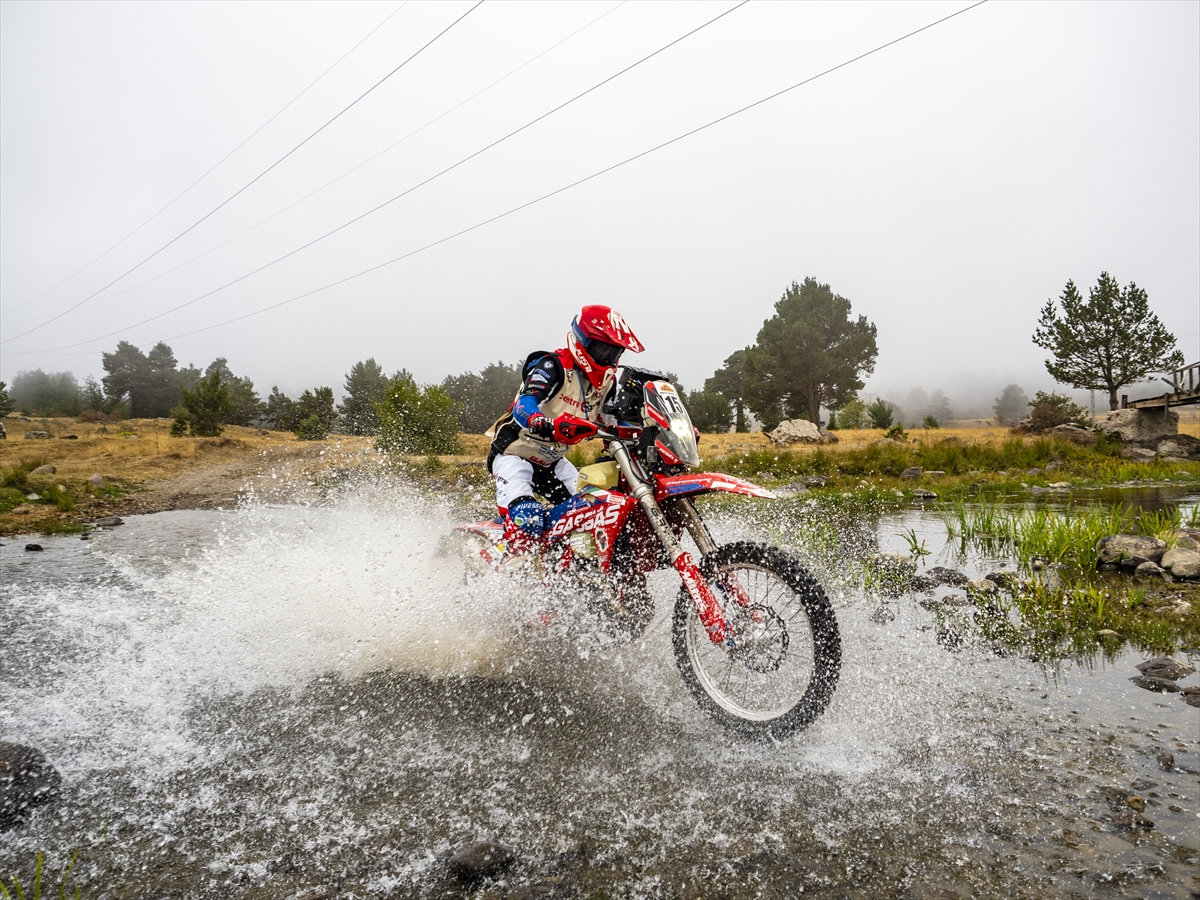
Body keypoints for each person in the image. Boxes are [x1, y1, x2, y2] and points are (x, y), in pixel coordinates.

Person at [487, 305, 643, 549]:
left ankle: (567, 571)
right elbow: (524, 403)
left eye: (613, 352)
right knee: (527, 519)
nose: (606, 357)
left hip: (553, 463)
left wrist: (646, 435)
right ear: (582, 340)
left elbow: (611, 422)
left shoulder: (606, 384)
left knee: (595, 511)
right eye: (601, 348)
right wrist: (541, 421)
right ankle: (511, 572)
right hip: (514, 455)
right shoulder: (552, 366)